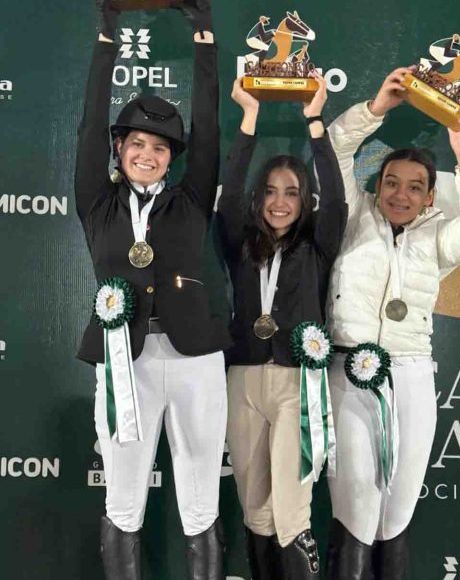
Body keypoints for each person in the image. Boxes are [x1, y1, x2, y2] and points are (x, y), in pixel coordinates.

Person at [324, 68, 460, 580]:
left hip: (411, 376)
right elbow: (335, 148)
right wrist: (376, 108)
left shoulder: (438, 238)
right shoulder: (351, 218)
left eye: (414, 187)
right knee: (356, 503)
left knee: (397, 508)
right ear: (376, 186)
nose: (400, 195)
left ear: (429, 197)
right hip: (349, 373)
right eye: (391, 183)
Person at [75, 1, 230, 578]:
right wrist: (106, 37)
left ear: (172, 158)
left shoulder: (191, 201)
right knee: (123, 499)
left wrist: (204, 36)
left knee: (201, 500)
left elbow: (209, 126)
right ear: (119, 149)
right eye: (137, 143)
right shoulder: (96, 201)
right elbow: (91, 122)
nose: (148, 154)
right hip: (125, 363)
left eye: (161, 147)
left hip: (195, 359)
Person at [216, 76, 346, 579]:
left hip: (297, 385)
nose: (279, 202)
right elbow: (228, 198)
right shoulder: (239, 243)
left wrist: (315, 121)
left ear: (305, 199)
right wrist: (248, 119)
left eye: (292, 193)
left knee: (292, 511)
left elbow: (336, 201)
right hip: (244, 379)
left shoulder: (318, 246)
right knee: (255, 509)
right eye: (270, 191)